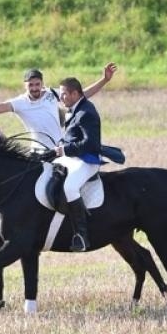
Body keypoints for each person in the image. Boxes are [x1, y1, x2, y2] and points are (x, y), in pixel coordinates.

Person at [0, 63, 117, 152]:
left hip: (59, 149)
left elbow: (82, 95)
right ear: (25, 85)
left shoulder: (51, 94)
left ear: (42, 83)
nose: (34, 88)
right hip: (39, 153)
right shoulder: (19, 103)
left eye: (37, 84)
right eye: (30, 85)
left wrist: (105, 80)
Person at [53, 76, 104, 251]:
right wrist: (58, 147)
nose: (61, 98)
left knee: (70, 187)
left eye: (64, 94)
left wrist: (64, 150)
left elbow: (90, 144)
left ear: (75, 94)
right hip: (72, 158)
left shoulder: (86, 113)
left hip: (87, 160)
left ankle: (81, 235)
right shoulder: (74, 108)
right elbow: (71, 136)